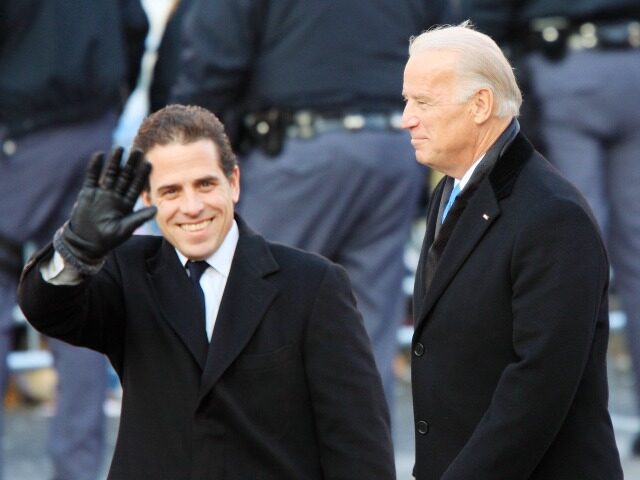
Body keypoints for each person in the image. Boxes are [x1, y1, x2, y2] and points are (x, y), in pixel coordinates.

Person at [17, 104, 395, 479]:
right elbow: (47, 309)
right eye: (171, 191)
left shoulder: (312, 283)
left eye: (205, 184)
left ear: (234, 182)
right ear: (147, 200)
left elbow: (358, 444)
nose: (192, 207)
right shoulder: (125, 271)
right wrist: (77, 247)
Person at [170, 0, 449, 411]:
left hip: (300, 154)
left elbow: (213, 63)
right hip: (391, 143)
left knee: (257, 327)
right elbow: (448, 39)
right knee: (364, 337)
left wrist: (184, 153)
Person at [402, 22, 623, 479]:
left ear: (480, 105)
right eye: (408, 101)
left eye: (423, 102)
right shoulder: (451, 190)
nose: (406, 118)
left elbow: (538, 386)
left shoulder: (554, 217)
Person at [452, 0, 640, 455]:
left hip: (567, 67)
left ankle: (562, 425)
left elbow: (486, 18)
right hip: (627, 66)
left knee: (571, 246)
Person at [0, 2, 148, 479]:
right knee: (78, 289)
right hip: (91, 128)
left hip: (19, 132)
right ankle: (78, 470)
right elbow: (135, 27)